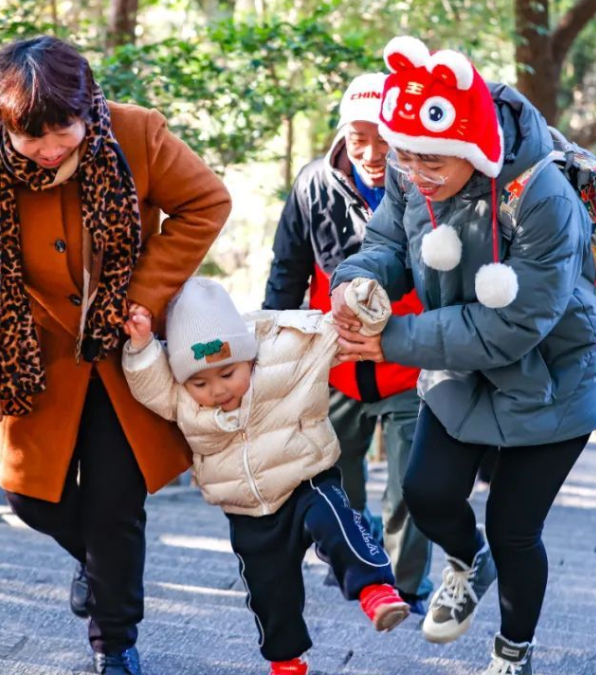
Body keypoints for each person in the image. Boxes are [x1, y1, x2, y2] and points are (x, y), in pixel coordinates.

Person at [0, 36, 231, 675]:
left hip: (123, 354)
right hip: (29, 355)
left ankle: (115, 646)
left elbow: (206, 202)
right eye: (32, 139)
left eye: (63, 133)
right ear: (0, 120)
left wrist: (145, 295)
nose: (49, 152)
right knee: (28, 499)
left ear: (87, 104)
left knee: (114, 507)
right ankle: (96, 566)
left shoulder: (137, 132)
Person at [329, 36, 596, 675]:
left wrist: (391, 341)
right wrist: (359, 280)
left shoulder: (543, 198)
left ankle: (513, 650)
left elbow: (516, 322)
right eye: (403, 157)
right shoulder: (412, 168)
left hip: (554, 376)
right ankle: (465, 558)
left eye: (430, 161)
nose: (411, 171)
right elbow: (388, 244)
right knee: (427, 492)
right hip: (459, 362)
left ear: (474, 149)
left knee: (515, 528)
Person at [122, 278, 410, 675]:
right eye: (200, 383)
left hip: (304, 478)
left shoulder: (283, 354)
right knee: (268, 590)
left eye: (228, 373)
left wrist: (360, 299)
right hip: (246, 508)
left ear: (249, 356)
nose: (217, 390)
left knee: (333, 519)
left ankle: (375, 589)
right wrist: (140, 347)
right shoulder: (180, 396)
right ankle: (286, 661)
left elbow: (332, 329)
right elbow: (149, 382)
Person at [263, 72, 433, 611]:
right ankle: (360, 572)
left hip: (406, 358)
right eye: (359, 138)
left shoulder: (429, 179)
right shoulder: (314, 184)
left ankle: (406, 582)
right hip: (333, 361)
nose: (372, 151)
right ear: (342, 135)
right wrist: (273, 347)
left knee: (411, 484)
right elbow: (287, 270)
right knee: (337, 479)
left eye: (384, 138)